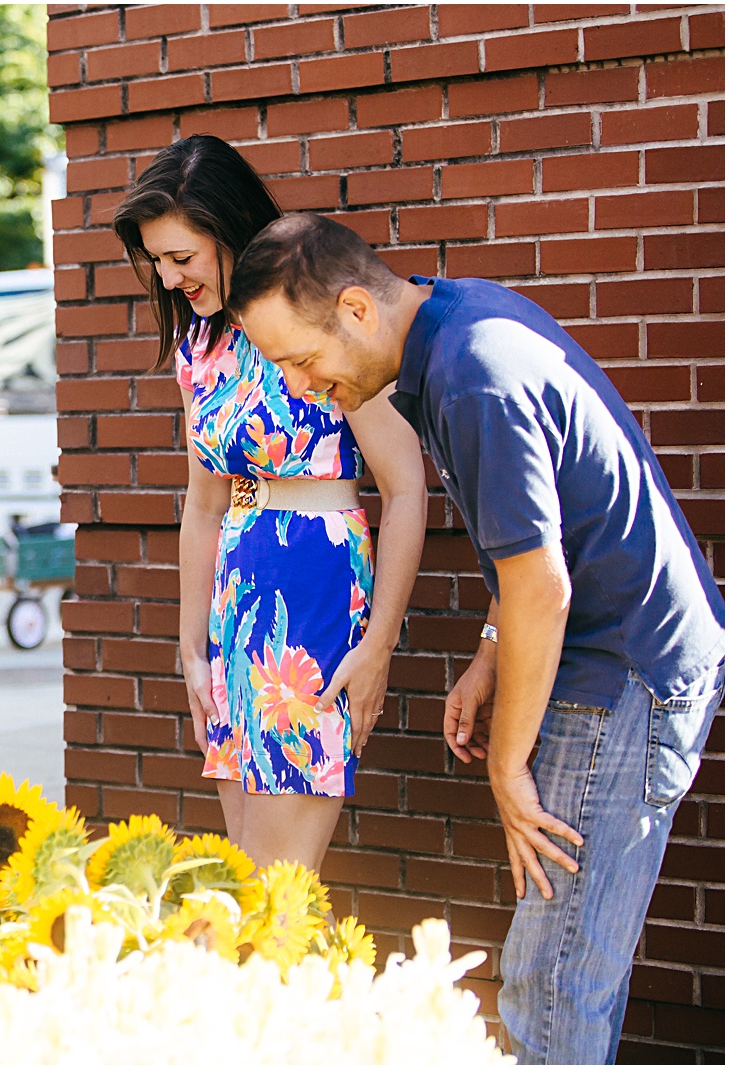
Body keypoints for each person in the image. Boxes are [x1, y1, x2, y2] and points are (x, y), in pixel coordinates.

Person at [225, 211, 726, 1065]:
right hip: (600, 653)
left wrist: (506, 768)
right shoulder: (453, 325)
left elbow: (542, 583)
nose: (302, 385)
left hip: (627, 673)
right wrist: (493, 648)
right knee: (550, 967)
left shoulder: (471, 377)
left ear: (355, 309)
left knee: (555, 978)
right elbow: (542, 546)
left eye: (300, 360)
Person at [110, 137, 426, 874]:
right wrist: (192, 645)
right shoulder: (199, 346)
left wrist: (377, 645)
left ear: (226, 228)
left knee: (278, 883)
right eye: (157, 260)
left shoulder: (314, 315)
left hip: (311, 599)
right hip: (235, 604)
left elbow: (406, 486)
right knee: (244, 878)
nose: (168, 276)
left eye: (181, 256)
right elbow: (203, 504)